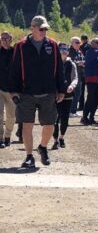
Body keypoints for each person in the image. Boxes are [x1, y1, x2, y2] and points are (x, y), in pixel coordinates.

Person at [9, 16, 67, 169]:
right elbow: (14, 69)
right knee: (27, 125)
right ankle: (29, 156)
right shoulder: (21, 46)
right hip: (26, 92)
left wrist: (61, 89)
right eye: (41, 29)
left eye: (46, 29)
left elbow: (59, 69)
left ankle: (42, 147)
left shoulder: (53, 45)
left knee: (49, 125)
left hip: (48, 92)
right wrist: (13, 91)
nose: (44, 32)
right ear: (32, 28)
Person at [53, 43, 79, 149]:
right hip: (55, 95)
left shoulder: (71, 63)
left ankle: (61, 138)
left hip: (68, 95)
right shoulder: (53, 63)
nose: (64, 51)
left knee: (65, 118)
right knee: (54, 118)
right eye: (62, 49)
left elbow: (75, 78)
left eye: (66, 49)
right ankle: (55, 140)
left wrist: (72, 86)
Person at [0, 31, 16, 147]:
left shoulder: (15, 53)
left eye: (7, 38)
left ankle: (7, 136)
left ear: (11, 40)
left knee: (11, 116)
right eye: (3, 39)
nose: (5, 41)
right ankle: (0, 138)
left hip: (11, 90)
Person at [67, 36, 85, 116]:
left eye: (79, 42)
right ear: (72, 43)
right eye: (77, 42)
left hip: (80, 75)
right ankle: (70, 111)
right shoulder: (69, 51)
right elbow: (69, 62)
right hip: (72, 76)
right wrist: (79, 63)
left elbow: (83, 59)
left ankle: (73, 110)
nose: (79, 44)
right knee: (72, 94)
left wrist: (83, 62)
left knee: (78, 94)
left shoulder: (79, 51)